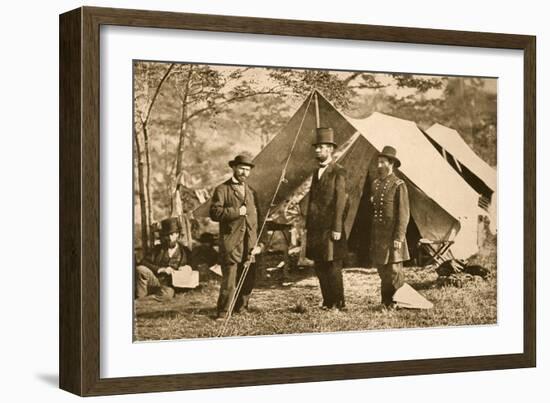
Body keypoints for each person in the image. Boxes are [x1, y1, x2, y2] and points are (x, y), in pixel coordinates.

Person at [209, 154, 262, 318]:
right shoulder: (222, 189)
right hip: (231, 242)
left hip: (250, 243)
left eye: (247, 170)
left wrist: (260, 243)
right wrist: (237, 212)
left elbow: (257, 218)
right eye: (241, 168)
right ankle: (223, 312)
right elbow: (214, 213)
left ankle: (241, 308)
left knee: (248, 279)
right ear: (233, 168)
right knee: (229, 281)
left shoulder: (252, 192)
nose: (244, 173)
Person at [305, 127, 348, 311]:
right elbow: (312, 200)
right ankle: (327, 301)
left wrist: (337, 227)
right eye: (316, 147)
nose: (317, 151)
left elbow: (341, 202)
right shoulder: (316, 172)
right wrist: (308, 226)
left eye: (321, 147)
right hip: (316, 229)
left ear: (330, 149)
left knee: (333, 266)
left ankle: (339, 303)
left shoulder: (339, 171)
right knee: (320, 265)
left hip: (331, 228)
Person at [369, 145, 410, 309]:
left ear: (391, 163)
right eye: (378, 162)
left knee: (394, 270)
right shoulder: (376, 184)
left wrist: (399, 238)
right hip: (379, 236)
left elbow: (403, 214)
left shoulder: (399, 185)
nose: (379, 166)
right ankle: (385, 302)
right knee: (382, 270)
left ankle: (397, 302)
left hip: (393, 235)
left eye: (383, 162)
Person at [135, 217, 192, 300]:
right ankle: (141, 297)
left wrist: (188, 268)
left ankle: (143, 301)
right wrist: (161, 269)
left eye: (172, 234)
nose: (169, 238)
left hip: (170, 284)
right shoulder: (158, 249)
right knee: (140, 269)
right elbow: (144, 262)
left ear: (177, 235)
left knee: (168, 294)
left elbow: (193, 265)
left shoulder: (185, 251)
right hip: (155, 281)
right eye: (167, 235)